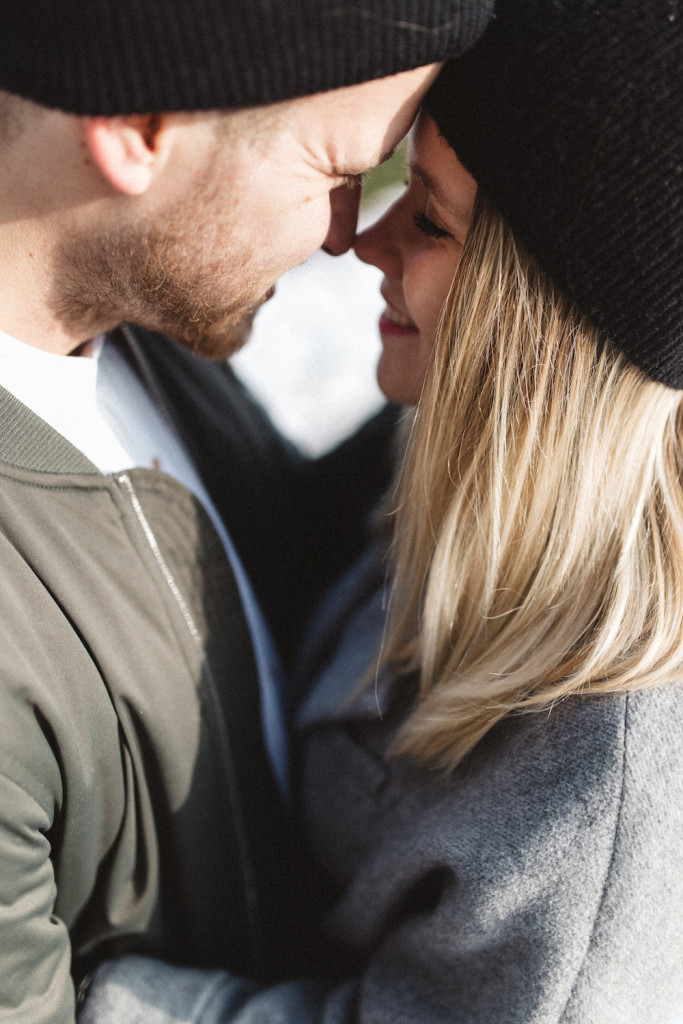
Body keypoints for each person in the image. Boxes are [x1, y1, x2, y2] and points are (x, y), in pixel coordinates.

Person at [79, 0, 683, 1022]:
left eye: (430, 218)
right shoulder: (452, 441)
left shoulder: (608, 768)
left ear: (534, 324)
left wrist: (83, 990)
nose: (363, 237)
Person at [0, 2, 497, 1021]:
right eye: (336, 173)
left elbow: (276, 551)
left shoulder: (128, 319)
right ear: (140, 125)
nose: (346, 233)